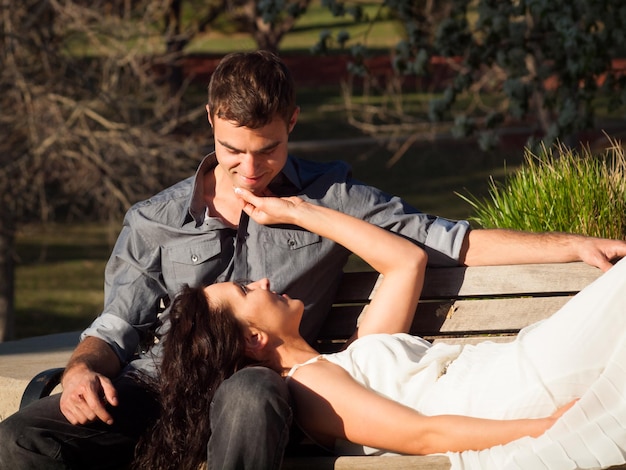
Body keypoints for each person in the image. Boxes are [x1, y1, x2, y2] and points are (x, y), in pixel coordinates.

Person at [1, 49, 625, 470]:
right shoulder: (154, 219)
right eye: (232, 151)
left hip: (254, 387)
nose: (250, 169)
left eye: (268, 149)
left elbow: (436, 239)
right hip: (150, 385)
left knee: (249, 395)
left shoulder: (331, 197)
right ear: (212, 120)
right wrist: (82, 369)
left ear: (293, 122)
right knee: (19, 437)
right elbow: (115, 324)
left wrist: (568, 245)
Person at [135, 187, 626, 470]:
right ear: (254, 339)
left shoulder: (347, 358)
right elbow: (423, 434)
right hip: (511, 393)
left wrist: (298, 211)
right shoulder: (310, 388)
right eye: (247, 291)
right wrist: (544, 428)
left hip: (516, 369)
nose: (263, 280)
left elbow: (404, 260)